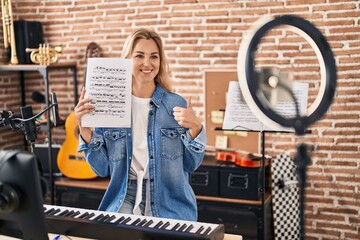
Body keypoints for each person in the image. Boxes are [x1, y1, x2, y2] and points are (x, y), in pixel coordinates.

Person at [74, 28, 207, 221]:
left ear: (160, 62)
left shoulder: (176, 105)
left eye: (154, 56)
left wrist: (196, 129)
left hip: (169, 201)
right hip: (124, 197)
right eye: (139, 56)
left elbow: (191, 164)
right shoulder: (109, 105)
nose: (147, 63)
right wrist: (85, 130)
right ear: (127, 59)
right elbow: (102, 169)